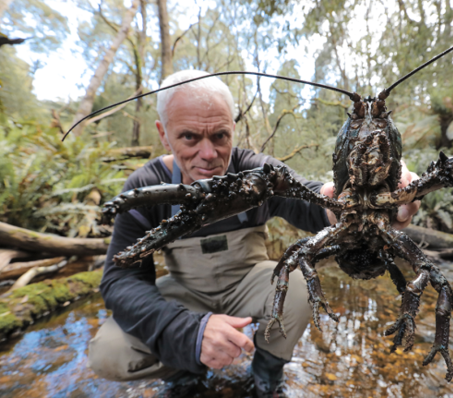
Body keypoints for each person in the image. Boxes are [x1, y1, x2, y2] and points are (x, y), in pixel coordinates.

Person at [88, 70, 420, 397]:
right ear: (163, 134)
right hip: (185, 294)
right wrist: (186, 332)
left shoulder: (258, 171)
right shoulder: (145, 186)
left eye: (220, 136)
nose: (208, 154)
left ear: (233, 128)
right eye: (189, 137)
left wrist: (360, 203)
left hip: (250, 283)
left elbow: (313, 201)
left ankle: (266, 373)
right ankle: (184, 372)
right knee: (110, 352)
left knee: (300, 286)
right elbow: (120, 280)